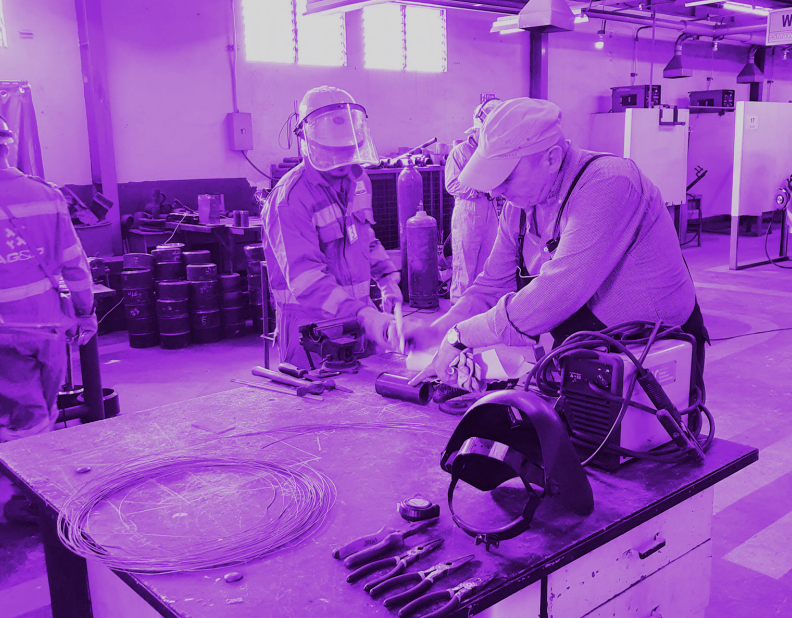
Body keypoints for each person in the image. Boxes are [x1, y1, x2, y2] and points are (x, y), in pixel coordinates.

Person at [408, 98, 707, 387]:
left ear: (551, 158)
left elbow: (558, 291)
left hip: (652, 352)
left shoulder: (609, 183)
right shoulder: (519, 208)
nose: (496, 191)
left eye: (506, 177)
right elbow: (491, 287)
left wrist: (461, 336)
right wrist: (437, 332)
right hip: (590, 347)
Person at [0, 115, 97, 523]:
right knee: (43, 408)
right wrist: (86, 313)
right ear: (8, 145)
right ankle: (36, 491)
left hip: (5, 334)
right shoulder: (46, 195)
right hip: (48, 327)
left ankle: (20, 498)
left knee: (21, 416)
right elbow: (75, 263)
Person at [262, 86, 401, 368]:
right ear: (308, 142)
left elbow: (365, 238)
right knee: (319, 395)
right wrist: (364, 314)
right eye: (333, 151)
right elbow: (306, 279)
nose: (342, 161)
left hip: (360, 322)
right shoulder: (289, 200)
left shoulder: (359, 180)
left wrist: (387, 281)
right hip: (311, 333)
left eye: (349, 149)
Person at [446, 99, 502, 303]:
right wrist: (478, 189)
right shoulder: (460, 152)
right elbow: (451, 184)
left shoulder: (493, 154)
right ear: (478, 129)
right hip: (468, 213)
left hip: (491, 213)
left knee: (486, 265)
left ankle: (478, 309)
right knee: (465, 267)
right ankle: (458, 312)